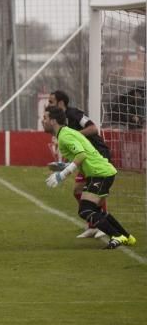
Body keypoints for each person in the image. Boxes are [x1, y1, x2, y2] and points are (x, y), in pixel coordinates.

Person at [43, 106, 135, 250]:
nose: (43, 121)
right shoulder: (66, 133)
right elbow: (81, 154)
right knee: (95, 209)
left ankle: (116, 236)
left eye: (45, 118)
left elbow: (81, 155)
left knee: (85, 210)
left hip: (100, 173)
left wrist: (63, 175)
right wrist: (62, 166)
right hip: (98, 172)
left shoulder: (65, 136)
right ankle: (127, 237)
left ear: (53, 121)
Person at [48, 90, 112, 240]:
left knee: (95, 191)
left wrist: (77, 135)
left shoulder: (74, 114)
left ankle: (103, 223)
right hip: (85, 158)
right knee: (78, 190)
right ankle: (93, 225)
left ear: (61, 103)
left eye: (51, 101)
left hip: (97, 153)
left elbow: (93, 128)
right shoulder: (61, 123)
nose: (48, 104)